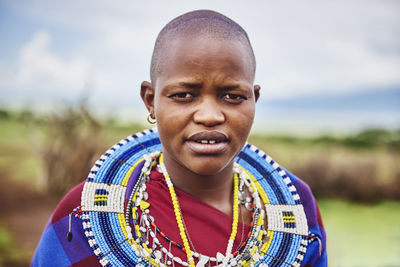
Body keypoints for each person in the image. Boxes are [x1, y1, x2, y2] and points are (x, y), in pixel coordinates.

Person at [32, 10, 327, 267]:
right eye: (184, 95)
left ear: (254, 99)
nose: (210, 115)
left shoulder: (294, 206)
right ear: (151, 101)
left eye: (233, 96)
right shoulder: (87, 214)